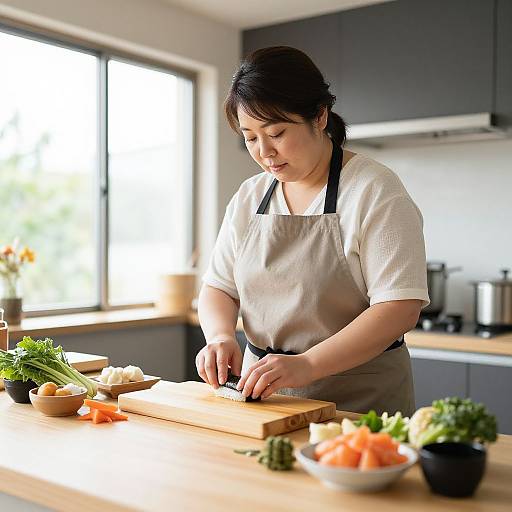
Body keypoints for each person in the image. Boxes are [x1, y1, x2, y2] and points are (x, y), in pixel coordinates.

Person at [195, 46, 429, 415]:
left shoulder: (375, 190)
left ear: (319, 116)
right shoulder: (250, 196)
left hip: (359, 401)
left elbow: (399, 308)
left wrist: (305, 365)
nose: (264, 152)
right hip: (266, 401)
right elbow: (218, 288)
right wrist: (220, 336)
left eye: (276, 132)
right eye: (251, 137)